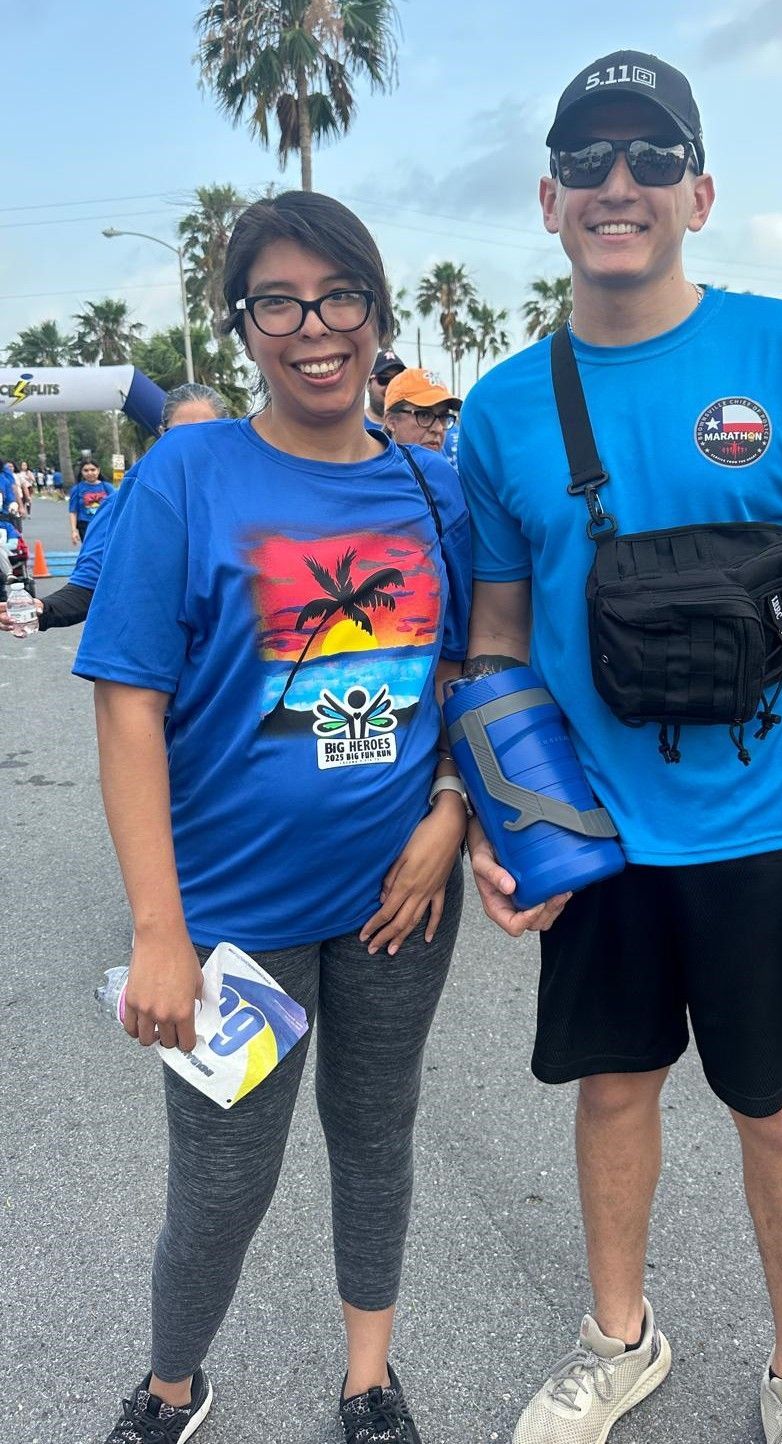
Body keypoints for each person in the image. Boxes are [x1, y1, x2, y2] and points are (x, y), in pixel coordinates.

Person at [457, 49, 782, 1444]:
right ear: (547, 198)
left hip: (774, 828)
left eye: (651, 157)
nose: (619, 184)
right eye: (588, 160)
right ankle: (619, 1338)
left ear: (700, 192)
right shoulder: (503, 408)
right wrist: (501, 823)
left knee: (775, 1110)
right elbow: (494, 642)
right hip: (598, 831)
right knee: (613, 1091)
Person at [74, 189, 471, 1444]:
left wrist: (451, 811)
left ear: (377, 313)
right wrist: (158, 927)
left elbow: (464, 672)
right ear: (242, 323)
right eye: (280, 301)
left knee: (375, 1137)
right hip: (234, 918)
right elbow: (129, 703)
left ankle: (369, 1379)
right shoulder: (187, 474)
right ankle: (173, 1385)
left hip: (399, 898)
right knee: (220, 1183)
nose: (315, 327)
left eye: (339, 296)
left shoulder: (433, 488)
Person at [0, 384, 229, 635]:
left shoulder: (247, 500)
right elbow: (89, 585)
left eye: (207, 432)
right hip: (159, 660)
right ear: (162, 434)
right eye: (179, 434)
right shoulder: (122, 505)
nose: (191, 445)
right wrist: (44, 608)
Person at [383, 368, 461, 455]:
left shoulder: (448, 465)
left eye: (444, 416)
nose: (438, 429)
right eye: (424, 415)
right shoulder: (370, 466)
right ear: (391, 422)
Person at [68, 458, 115, 543]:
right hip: (85, 526)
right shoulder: (77, 489)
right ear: (81, 472)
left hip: (104, 524)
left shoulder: (108, 487)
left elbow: (116, 507)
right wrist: (74, 531)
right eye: (86, 470)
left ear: (98, 470)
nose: (90, 473)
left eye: (93, 470)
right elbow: (73, 512)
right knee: (90, 552)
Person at [365, 346, 406, 424]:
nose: (391, 386)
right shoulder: (352, 425)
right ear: (368, 384)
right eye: (384, 379)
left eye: (398, 380)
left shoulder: (413, 426)